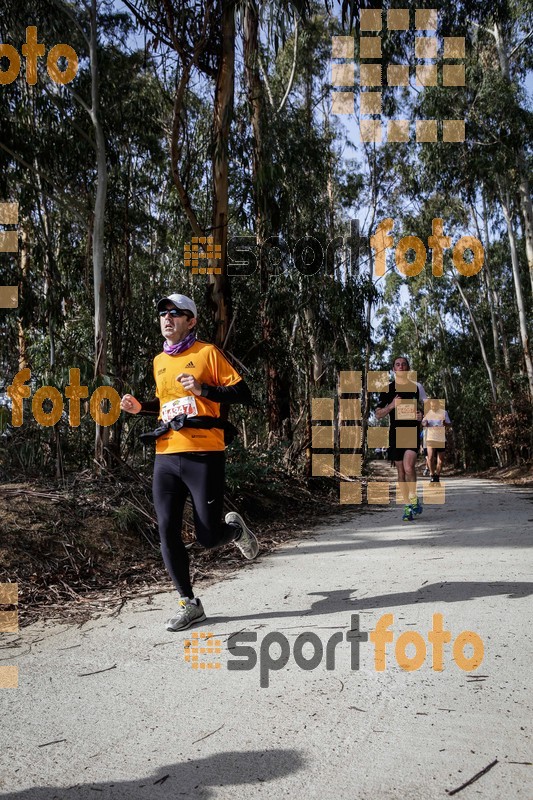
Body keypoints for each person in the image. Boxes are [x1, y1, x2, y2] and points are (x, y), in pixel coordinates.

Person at [120, 293, 258, 632]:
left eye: (175, 313)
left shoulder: (208, 354)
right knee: (166, 528)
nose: (167, 318)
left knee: (208, 537)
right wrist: (143, 408)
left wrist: (204, 390)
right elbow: (169, 403)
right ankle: (189, 603)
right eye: (163, 314)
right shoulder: (158, 362)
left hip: (203, 453)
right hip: (166, 454)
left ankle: (235, 530)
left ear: (191, 320)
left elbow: (244, 394)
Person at [375, 356, 428, 522]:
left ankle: (413, 498)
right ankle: (408, 506)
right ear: (393, 369)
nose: (401, 367)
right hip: (395, 433)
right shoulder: (387, 389)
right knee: (400, 472)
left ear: (408, 368)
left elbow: (430, 409)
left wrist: (423, 416)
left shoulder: (417, 387)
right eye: (397, 365)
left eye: (404, 364)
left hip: (411, 431)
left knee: (408, 467)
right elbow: (378, 414)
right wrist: (391, 406)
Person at [422, 398, 452, 482]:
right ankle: (432, 474)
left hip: (441, 438)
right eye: (432, 406)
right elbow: (423, 423)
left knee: (441, 460)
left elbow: (450, 424)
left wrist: (445, 423)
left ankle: (437, 475)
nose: (433, 407)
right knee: (430, 457)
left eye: (435, 406)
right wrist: (425, 423)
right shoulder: (428, 413)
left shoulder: (444, 412)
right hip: (431, 438)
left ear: (438, 405)